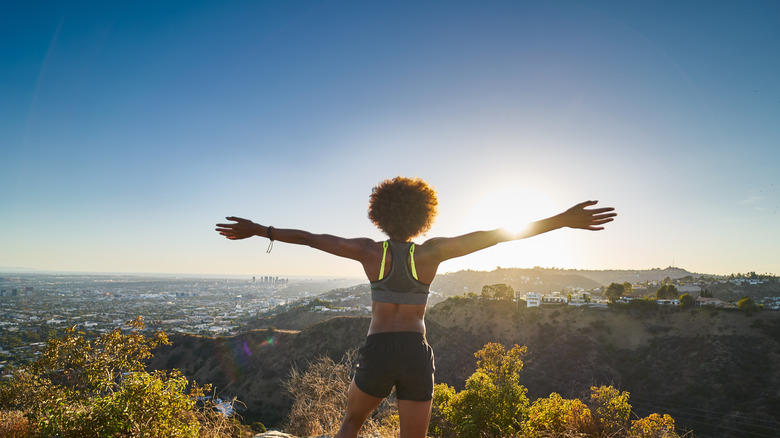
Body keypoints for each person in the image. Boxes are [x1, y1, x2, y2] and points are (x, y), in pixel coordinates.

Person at [215, 176, 616, 438]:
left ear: (380, 214)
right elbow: (498, 236)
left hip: (378, 349)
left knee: (351, 423)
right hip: (415, 352)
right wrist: (561, 220)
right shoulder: (433, 253)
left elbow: (310, 238)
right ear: (424, 216)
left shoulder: (368, 251)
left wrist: (259, 231)